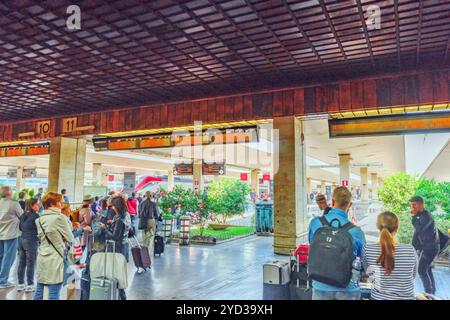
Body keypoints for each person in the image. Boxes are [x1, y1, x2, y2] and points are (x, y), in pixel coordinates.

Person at [308, 186, 366, 300]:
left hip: (320, 284)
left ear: (332, 202)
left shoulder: (315, 223)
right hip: (348, 287)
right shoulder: (356, 231)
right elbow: (362, 259)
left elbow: (312, 244)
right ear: (349, 205)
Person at [363, 212, 417, 300]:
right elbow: (412, 275)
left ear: (377, 226)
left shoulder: (368, 249)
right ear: (397, 228)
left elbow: (370, 276)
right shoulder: (410, 250)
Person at [34, 192, 73, 300]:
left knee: (39, 291)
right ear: (52, 204)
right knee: (54, 293)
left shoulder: (39, 219)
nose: (61, 204)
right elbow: (70, 238)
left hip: (42, 256)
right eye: (59, 202)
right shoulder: (60, 218)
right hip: (56, 258)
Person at [410, 195, 440, 295]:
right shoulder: (421, 214)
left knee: (421, 269)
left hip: (430, 247)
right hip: (429, 246)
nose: (413, 207)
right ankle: (432, 292)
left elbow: (419, 229)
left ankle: (428, 293)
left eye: (414, 205)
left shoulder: (426, 216)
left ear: (421, 204)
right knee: (427, 268)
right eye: (412, 205)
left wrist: (414, 216)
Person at [105, 196, 131, 300]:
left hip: (118, 248)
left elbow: (115, 236)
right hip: (124, 246)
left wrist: (104, 228)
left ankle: (121, 295)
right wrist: (113, 223)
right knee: (120, 271)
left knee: (116, 272)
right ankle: (121, 294)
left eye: (113, 206)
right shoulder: (126, 215)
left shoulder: (120, 219)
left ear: (117, 206)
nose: (112, 208)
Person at [0, 186, 24, 288]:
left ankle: (2, 279)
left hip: (1, 233)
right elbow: (22, 216)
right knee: (8, 258)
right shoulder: (14, 204)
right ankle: (3, 281)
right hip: (11, 234)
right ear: (9, 193)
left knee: (1, 256)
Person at [17, 198, 40, 292]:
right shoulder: (36, 216)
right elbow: (40, 229)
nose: (38, 206)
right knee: (31, 263)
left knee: (22, 262)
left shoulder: (22, 215)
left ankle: (20, 284)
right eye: (37, 204)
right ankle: (30, 284)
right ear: (32, 205)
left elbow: (20, 228)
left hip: (22, 240)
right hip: (31, 241)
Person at [138, 191, 159, 257]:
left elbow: (139, 213)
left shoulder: (141, 203)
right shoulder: (153, 203)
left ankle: (144, 250)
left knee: (144, 236)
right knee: (151, 236)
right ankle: (148, 251)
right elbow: (157, 214)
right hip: (150, 220)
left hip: (143, 220)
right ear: (151, 196)